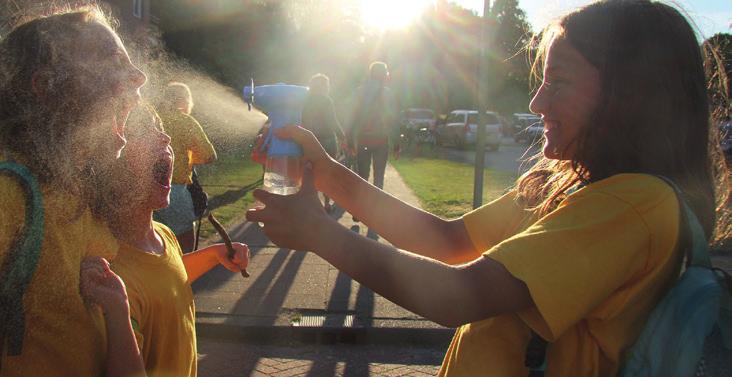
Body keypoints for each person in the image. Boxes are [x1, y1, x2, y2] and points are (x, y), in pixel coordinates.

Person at [246, 1, 729, 376]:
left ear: (632, 95)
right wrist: (326, 171)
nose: (537, 102)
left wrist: (319, 233)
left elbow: (460, 296)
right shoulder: (567, 185)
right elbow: (447, 239)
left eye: (557, 82)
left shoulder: (634, 206)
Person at [0, 6, 147, 376]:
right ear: (45, 87)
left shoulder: (81, 192)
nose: (139, 76)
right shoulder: (9, 197)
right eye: (110, 60)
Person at [83, 104, 249, 377]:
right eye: (144, 132)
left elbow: (168, 282)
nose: (166, 138)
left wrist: (212, 255)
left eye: (160, 129)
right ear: (108, 165)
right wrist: (118, 310)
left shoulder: (162, 233)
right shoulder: (112, 274)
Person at [154, 82, 217, 252]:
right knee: (185, 246)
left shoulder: (153, 118)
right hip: (174, 190)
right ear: (185, 100)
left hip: (145, 191)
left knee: (155, 246)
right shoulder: (185, 121)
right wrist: (189, 158)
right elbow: (209, 156)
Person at [347, 61, 399, 192]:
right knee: (379, 176)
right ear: (383, 75)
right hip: (381, 140)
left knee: (363, 176)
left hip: (363, 138)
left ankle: (360, 208)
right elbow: (393, 120)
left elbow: (352, 117)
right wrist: (397, 143)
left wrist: (349, 141)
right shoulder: (388, 94)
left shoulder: (359, 92)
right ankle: (376, 207)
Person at [301, 73, 346, 212]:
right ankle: (326, 203)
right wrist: (342, 136)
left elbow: (303, 120)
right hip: (327, 140)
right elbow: (332, 121)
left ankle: (311, 203)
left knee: (309, 172)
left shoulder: (305, 101)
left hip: (310, 140)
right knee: (327, 172)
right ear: (324, 86)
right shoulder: (327, 101)